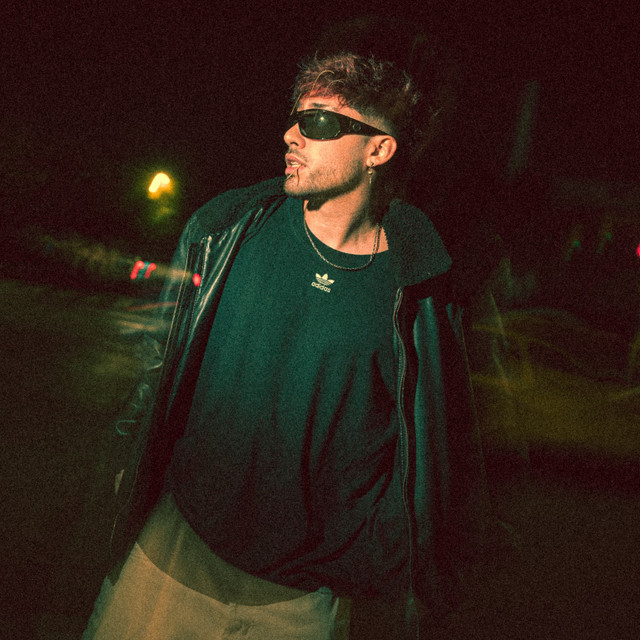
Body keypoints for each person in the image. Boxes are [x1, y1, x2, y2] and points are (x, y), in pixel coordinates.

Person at [83, 51, 490, 640]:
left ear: (379, 150)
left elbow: (429, 440)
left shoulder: (420, 287)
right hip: (176, 555)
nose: (291, 135)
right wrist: (131, 464)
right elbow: (158, 366)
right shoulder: (225, 231)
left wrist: (382, 555)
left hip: (303, 600)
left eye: (319, 122)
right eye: (296, 117)